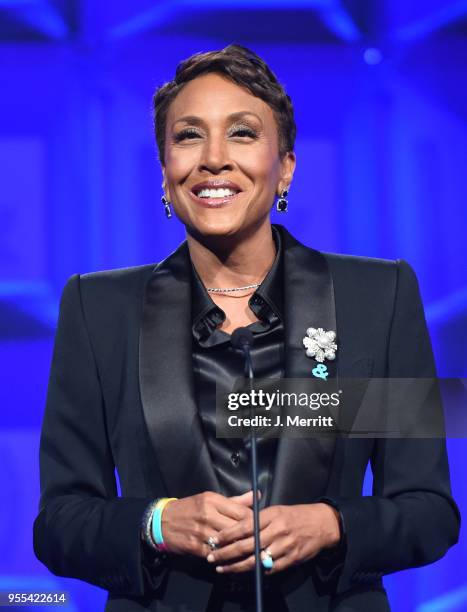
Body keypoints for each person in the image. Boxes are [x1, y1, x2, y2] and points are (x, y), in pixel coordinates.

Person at [33, 44, 460, 612]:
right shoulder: (98, 309)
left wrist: (330, 524)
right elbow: (59, 523)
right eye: (188, 136)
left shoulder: (375, 299)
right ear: (165, 173)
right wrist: (158, 523)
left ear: (285, 165)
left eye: (241, 133)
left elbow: (429, 510)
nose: (213, 159)